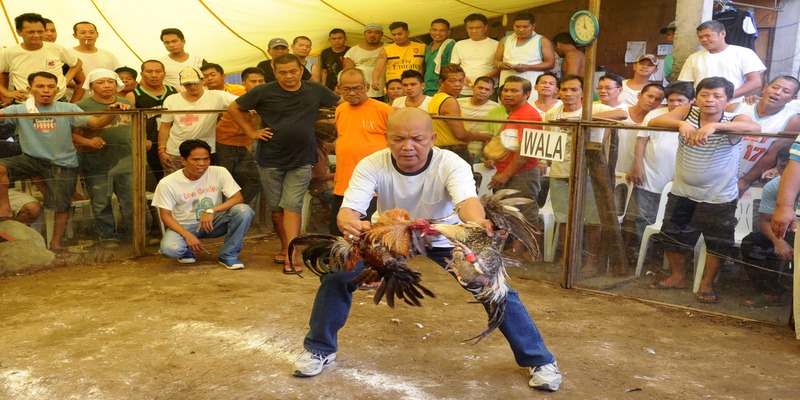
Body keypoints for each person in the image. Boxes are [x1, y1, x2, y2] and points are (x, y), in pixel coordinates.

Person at [291, 107, 562, 393]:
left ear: (432, 138)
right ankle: (319, 348)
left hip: (443, 236)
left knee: (494, 288)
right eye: (399, 139)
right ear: (387, 139)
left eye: (417, 139)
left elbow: (466, 201)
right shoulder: (371, 164)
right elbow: (349, 210)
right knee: (337, 276)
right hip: (392, 235)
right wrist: (350, 224)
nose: (408, 146)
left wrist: (478, 222)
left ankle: (539, 360)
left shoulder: (451, 163)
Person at [647, 77, 761, 304]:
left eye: (717, 96)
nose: (710, 100)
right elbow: (654, 122)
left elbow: (754, 127)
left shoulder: (733, 118)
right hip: (682, 192)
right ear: (696, 98)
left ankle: (707, 283)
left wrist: (714, 126)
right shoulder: (686, 113)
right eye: (704, 95)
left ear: (728, 99)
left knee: (717, 242)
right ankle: (678, 276)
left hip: (718, 197)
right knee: (673, 235)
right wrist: (681, 124)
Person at [227, 53, 341, 273]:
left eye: (293, 71)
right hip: (270, 159)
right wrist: (251, 131)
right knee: (277, 208)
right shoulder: (263, 91)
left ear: (301, 68)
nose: (289, 76)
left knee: (292, 205)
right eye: (283, 72)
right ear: (274, 70)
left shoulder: (315, 89)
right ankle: (285, 246)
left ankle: (291, 255)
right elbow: (234, 108)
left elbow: (342, 104)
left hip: (302, 159)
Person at [0, 71, 129, 252]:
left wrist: (110, 112)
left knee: (62, 206)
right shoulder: (20, 109)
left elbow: (95, 123)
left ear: (57, 89)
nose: (46, 90)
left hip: (63, 162)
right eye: (40, 86)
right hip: (32, 159)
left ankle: (56, 244)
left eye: (51, 86)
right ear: (30, 89)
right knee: (0, 168)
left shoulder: (68, 108)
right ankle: (4, 211)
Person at [544, 75, 627, 273]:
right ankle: (568, 259)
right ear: (558, 91)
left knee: (592, 219)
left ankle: (592, 261)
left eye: (574, 89)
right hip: (560, 172)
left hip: (590, 172)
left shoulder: (594, 108)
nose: (568, 94)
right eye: (564, 89)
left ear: (583, 92)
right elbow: (547, 141)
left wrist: (582, 120)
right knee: (564, 218)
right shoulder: (551, 113)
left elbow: (622, 114)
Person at [151, 139, 254, 270]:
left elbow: (238, 198)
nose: (202, 164)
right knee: (170, 249)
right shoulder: (167, 183)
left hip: (213, 223)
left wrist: (211, 211)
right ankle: (186, 249)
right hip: (184, 226)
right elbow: (165, 216)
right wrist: (187, 235)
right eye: (196, 160)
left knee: (243, 210)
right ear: (183, 160)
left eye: (206, 159)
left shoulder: (219, 172)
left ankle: (228, 255)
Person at [624, 81, 694, 263]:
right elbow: (641, 141)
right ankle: (642, 255)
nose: (675, 104)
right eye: (671, 100)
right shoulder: (654, 115)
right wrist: (637, 166)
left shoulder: (696, 118)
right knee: (643, 218)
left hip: (680, 183)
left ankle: (666, 260)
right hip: (650, 176)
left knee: (674, 223)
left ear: (691, 101)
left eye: (680, 100)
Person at [76, 69, 134, 248]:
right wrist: (88, 141)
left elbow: (135, 126)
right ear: (91, 86)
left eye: (111, 81)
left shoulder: (126, 102)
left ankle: (138, 234)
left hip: (127, 159)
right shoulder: (81, 105)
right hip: (96, 161)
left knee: (131, 198)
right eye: (101, 82)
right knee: (101, 200)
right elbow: (72, 134)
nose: (107, 85)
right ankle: (108, 237)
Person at [485, 76, 543, 259]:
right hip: (510, 171)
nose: (508, 94)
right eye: (506, 90)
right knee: (512, 212)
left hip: (522, 173)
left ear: (527, 94)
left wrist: (505, 174)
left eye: (514, 91)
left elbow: (525, 152)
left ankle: (531, 252)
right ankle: (519, 249)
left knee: (524, 212)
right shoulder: (515, 112)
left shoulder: (527, 114)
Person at [331, 68, 393, 236]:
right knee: (340, 237)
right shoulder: (341, 110)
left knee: (369, 237)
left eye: (357, 88)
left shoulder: (384, 110)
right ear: (339, 88)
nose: (352, 93)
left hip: (373, 187)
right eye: (346, 89)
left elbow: (396, 142)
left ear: (366, 87)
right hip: (343, 184)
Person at [157, 67, 238, 175]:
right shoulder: (172, 99)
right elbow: (165, 126)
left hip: (203, 153)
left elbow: (241, 102)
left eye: (195, 82)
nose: (192, 86)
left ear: (203, 80)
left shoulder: (217, 96)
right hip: (175, 152)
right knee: (173, 186)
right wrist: (162, 150)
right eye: (188, 84)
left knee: (203, 186)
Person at [740, 146, 794, 307]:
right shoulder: (773, 186)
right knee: (753, 242)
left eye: (790, 167)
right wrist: (779, 242)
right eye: (781, 166)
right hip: (785, 231)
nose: (785, 171)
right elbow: (764, 222)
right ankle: (771, 292)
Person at [733, 76, 800, 195]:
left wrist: (746, 181)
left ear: (792, 98)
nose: (778, 92)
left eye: (786, 91)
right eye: (775, 87)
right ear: (765, 88)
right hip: (718, 173)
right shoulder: (737, 107)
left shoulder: (792, 121)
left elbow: (771, 155)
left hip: (751, 178)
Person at [0, 13, 83, 103]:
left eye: (40, 32)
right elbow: (3, 73)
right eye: (31, 32)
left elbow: (77, 63)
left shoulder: (56, 48)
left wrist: (65, 81)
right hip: (25, 103)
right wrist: (6, 93)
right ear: (19, 32)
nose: (36, 35)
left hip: (58, 100)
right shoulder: (9, 52)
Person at [677, 20, 765, 103]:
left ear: (723, 33)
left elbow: (755, 81)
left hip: (733, 106)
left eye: (708, 36)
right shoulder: (693, 58)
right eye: (700, 37)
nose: (704, 39)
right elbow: (685, 85)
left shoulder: (743, 53)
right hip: (701, 106)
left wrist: (727, 97)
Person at [213, 67, 265, 205]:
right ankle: (221, 214)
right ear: (243, 83)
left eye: (261, 81)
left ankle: (233, 209)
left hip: (243, 146)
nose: (257, 84)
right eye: (253, 81)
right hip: (223, 144)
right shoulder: (236, 93)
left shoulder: (264, 96)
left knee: (256, 180)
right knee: (222, 184)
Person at [428, 64, 492, 165]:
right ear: (441, 82)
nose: (457, 84)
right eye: (452, 81)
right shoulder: (449, 101)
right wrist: (481, 136)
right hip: (454, 151)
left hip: (441, 151)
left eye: (461, 81)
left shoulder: (435, 98)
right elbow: (460, 134)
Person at [493, 12, 555, 102]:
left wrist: (528, 67)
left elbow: (550, 63)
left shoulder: (542, 41)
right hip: (507, 85)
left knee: (530, 108)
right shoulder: (505, 40)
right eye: (517, 26)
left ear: (533, 26)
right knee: (506, 111)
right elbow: (495, 61)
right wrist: (501, 65)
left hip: (531, 86)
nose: (521, 30)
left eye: (525, 27)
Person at [133, 59, 178, 183]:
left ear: (164, 73)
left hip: (174, 141)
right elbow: (130, 123)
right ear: (142, 74)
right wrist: (141, 138)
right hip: (149, 144)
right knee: (160, 180)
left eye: (158, 71)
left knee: (178, 178)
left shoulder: (174, 92)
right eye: (149, 71)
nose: (154, 75)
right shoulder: (134, 95)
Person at [616, 83, 665, 174]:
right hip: (611, 165)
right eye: (649, 96)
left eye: (658, 99)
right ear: (639, 95)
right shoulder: (620, 109)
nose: (652, 101)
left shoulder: (655, 121)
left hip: (636, 172)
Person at [450, 13, 499, 98]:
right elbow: (454, 67)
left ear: (485, 28)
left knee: (489, 110)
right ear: (466, 28)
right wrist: (462, 76)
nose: (474, 31)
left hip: (487, 89)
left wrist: (487, 77)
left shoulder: (496, 45)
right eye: (470, 28)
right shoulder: (460, 44)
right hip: (465, 89)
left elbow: (500, 67)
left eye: (478, 28)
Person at [71, 21, 122, 100]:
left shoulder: (108, 55)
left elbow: (118, 77)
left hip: (105, 101)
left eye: (91, 32)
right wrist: (87, 86)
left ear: (97, 34)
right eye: (83, 32)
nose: (88, 35)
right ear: (75, 35)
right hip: (75, 100)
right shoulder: (69, 54)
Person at [372, 21, 425, 92]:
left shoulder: (422, 47)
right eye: (394, 35)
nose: (397, 37)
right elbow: (378, 68)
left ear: (408, 33)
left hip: (415, 88)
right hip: (394, 89)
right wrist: (375, 80)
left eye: (400, 34)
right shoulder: (386, 50)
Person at [458, 76, 499, 161]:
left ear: (492, 92)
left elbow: (495, 135)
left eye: (487, 89)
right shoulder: (458, 103)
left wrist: (488, 157)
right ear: (473, 87)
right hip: (458, 151)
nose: (483, 91)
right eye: (480, 87)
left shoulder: (496, 108)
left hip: (480, 156)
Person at [343, 24, 385, 100]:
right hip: (360, 93)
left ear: (382, 35)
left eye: (377, 33)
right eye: (369, 32)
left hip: (385, 92)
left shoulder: (388, 48)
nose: (372, 35)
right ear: (364, 34)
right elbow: (348, 73)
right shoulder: (353, 50)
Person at [423, 18, 456, 96]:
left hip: (441, 88)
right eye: (434, 30)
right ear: (430, 30)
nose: (437, 33)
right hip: (426, 87)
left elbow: (451, 69)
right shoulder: (428, 47)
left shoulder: (450, 45)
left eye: (442, 30)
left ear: (448, 32)